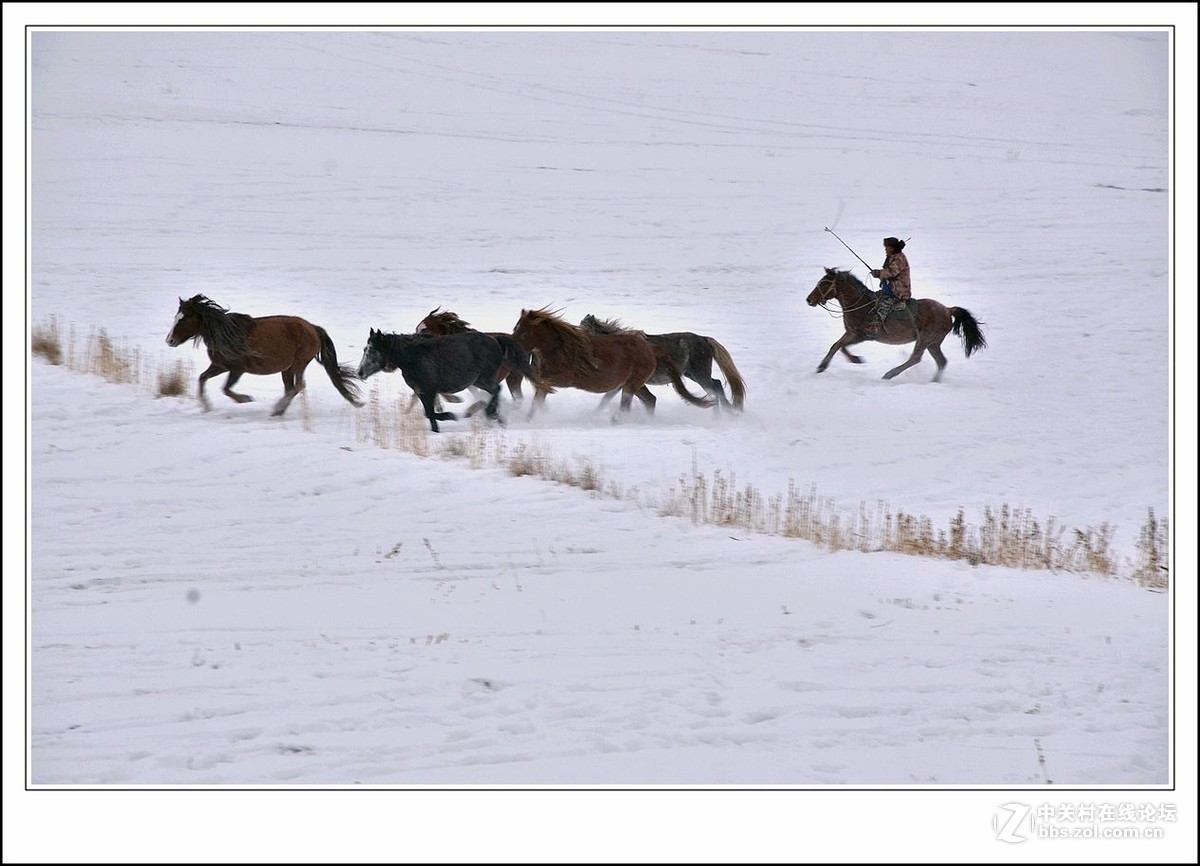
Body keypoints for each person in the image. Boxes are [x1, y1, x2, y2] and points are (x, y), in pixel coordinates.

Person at [867, 237, 911, 334]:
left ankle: (875, 327)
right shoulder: (892, 257)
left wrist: (878, 273)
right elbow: (887, 273)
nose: (885, 250)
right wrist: (879, 274)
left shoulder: (899, 258)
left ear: (892, 248)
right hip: (890, 286)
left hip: (899, 290)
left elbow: (891, 272)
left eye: (887, 247)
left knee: (884, 304)